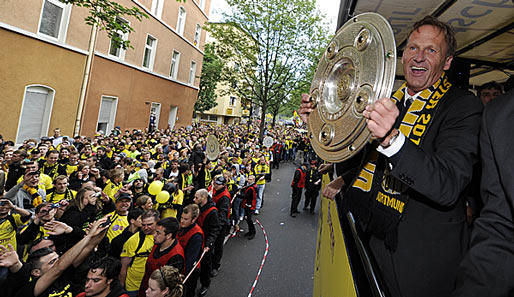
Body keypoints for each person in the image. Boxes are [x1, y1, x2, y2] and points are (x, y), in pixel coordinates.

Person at [300, 16, 482, 297]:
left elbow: (447, 185)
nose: (418, 58)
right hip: (374, 238)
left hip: (422, 263)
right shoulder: (389, 100)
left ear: (447, 62)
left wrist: (392, 139)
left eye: (431, 50)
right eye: (412, 48)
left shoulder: (463, 106)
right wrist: (319, 120)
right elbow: (356, 154)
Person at [452, 89, 514, 296]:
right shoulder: (500, 115)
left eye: (495, 93)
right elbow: (501, 226)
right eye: (486, 93)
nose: (491, 97)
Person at [15, 217, 110, 297]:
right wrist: (88, 236)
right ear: (36, 272)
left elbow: (89, 246)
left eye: (57, 259)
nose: (58, 262)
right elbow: (58, 267)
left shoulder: (64, 274)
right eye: (52, 262)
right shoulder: (28, 290)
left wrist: (102, 229)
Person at [139, 217, 184, 297]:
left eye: (158, 233)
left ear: (168, 235)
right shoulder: (158, 243)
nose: (154, 235)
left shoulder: (176, 257)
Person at [120, 209, 160, 297]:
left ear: (158, 222)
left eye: (149, 224)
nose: (146, 228)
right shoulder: (133, 241)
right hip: (134, 288)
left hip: (154, 287)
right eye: (143, 225)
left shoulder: (162, 238)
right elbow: (124, 267)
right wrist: (121, 289)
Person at [193, 189, 220, 297]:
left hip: (205, 244)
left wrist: (209, 244)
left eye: (196, 198)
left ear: (204, 198)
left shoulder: (212, 211)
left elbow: (215, 229)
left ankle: (205, 284)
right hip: (196, 241)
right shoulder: (197, 208)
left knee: (205, 265)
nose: (194, 199)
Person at [177, 204, 204, 297]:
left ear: (194, 219)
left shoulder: (196, 235)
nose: (182, 221)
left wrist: (180, 277)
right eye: (182, 218)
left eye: (185, 219)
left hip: (189, 271)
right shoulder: (181, 227)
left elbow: (190, 259)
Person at [209, 176, 230, 276]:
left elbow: (223, 214)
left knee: (217, 246)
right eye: (215, 183)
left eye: (218, 184)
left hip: (219, 225)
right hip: (213, 222)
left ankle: (215, 266)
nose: (216, 185)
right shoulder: (215, 191)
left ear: (224, 185)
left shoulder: (224, 196)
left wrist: (218, 228)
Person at [242, 175, 257, 239]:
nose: (249, 180)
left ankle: (252, 232)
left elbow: (246, 196)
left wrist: (238, 195)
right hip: (247, 204)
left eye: (250, 179)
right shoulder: (249, 186)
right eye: (248, 179)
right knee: (247, 218)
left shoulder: (251, 188)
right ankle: (250, 231)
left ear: (253, 180)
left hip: (250, 205)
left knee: (249, 219)